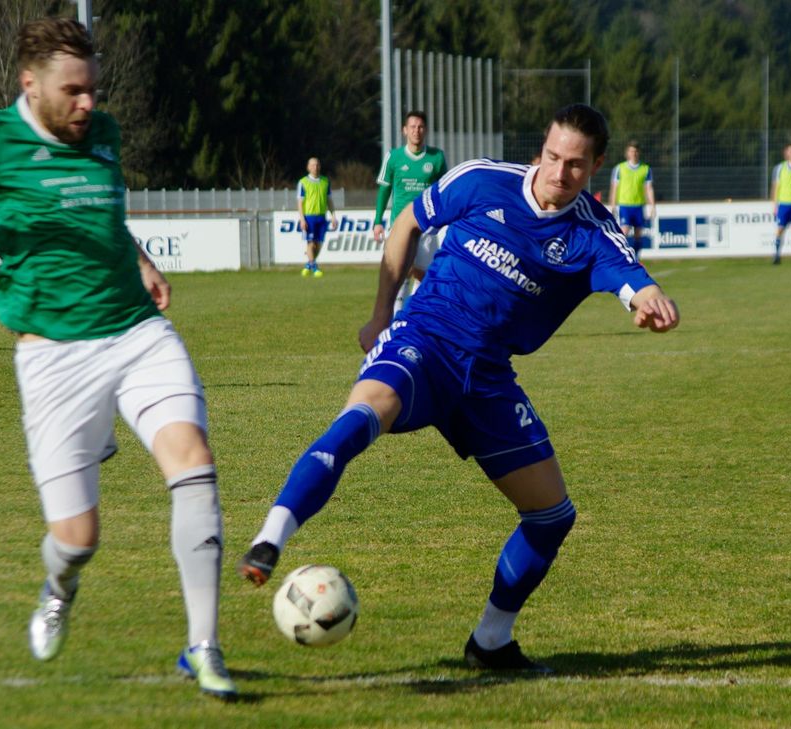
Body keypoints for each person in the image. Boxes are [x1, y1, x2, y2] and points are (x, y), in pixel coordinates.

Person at [0, 17, 236, 700]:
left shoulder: (103, 133)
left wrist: (141, 259)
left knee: (193, 462)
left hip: (136, 333)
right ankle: (59, 585)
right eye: (73, 91)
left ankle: (204, 645)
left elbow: (101, 215)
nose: (88, 104)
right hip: (53, 357)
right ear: (30, 84)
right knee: (77, 537)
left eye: (93, 88)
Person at [239, 104, 679, 673]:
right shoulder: (481, 180)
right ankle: (270, 539)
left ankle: (490, 641)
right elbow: (407, 223)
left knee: (551, 516)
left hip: (488, 377)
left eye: (575, 164)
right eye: (552, 156)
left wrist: (651, 302)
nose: (558, 172)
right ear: (540, 149)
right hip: (425, 339)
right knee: (361, 416)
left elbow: (635, 282)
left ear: (596, 166)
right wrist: (381, 314)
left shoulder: (592, 232)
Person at [372, 111, 447, 312]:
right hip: (400, 225)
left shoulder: (437, 157)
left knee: (425, 274)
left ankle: (415, 311)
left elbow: (443, 191)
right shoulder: (393, 157)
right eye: (412, 127)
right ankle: (397, 316)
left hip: (427, 226)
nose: (416, 131)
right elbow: (384, 190)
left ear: (426, 130)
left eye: (420, 127)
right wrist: (378, 221)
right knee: (400, 271)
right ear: (404, 130)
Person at [608, 141, 656, 256]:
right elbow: (614, 187)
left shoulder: (645, 169)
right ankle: (620, 257)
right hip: (625, 205)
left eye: (636, 151)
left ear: (639, 153)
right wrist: (612, 205)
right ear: (627, 153)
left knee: (638, 234)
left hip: (639, 206)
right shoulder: (620, 168)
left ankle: (636, 257)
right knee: (624, 232)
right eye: (631, 151)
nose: (634, 153)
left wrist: (653, 206)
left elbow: (649, 188)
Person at [296, 157, 337, 278]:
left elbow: (329, 200)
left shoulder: (325, 181)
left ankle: (309, 264)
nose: (315, 167)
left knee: (318, 244)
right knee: (311, 243)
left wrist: (333, 216)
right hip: (309, 217)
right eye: (313, 165)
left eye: (317, 165)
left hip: (322, 217)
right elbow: (300, 202)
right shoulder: (303, 182)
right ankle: (314, 267)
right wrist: (302, 219)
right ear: (308, 167)